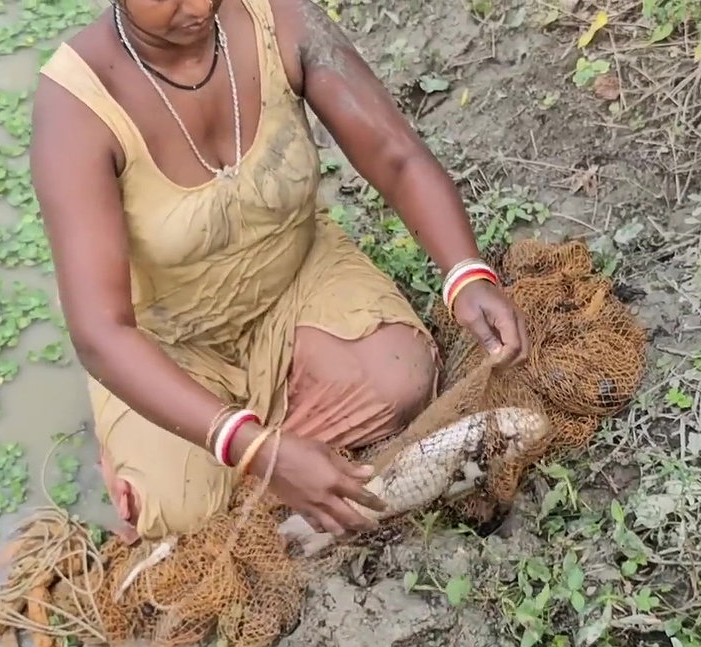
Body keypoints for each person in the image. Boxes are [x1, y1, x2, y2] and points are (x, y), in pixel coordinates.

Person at [30, 0, 529, 544]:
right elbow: (102, 331)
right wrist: (257, 451)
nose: (197, 6)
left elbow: (395, 154)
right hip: (170, 339)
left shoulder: (281, 19)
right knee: (182, 517)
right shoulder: (75, 107)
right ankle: (196, 439)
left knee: (401, 378)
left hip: (295, 276)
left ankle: (264, 442)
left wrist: (466, 272)